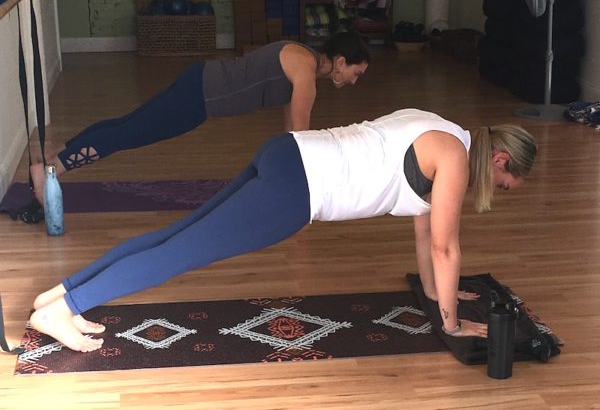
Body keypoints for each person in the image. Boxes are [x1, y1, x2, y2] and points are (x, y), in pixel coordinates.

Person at [30, 108, 537, 352]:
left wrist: (435, 296)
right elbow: (448, 245)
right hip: (297, 190)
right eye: (505, 184)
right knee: (180, 252)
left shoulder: (443, 129)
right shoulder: (452, 157)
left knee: (177, 235)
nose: (496, 191)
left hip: (287, 153)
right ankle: (62, 312)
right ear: (499, 159)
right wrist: (450, 324)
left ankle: (61, 293)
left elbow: (428, 238)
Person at [29, 31, 370, 204]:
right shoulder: (306, 72)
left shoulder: (301, 58)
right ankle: (53, 169)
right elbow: (300, 136)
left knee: (127, 125)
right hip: (201, 96)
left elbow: (289, 133)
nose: (355, 81)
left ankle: (55, 153)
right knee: (128, 134)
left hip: (200, 83)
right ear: (340, 61)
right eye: (356, 72)